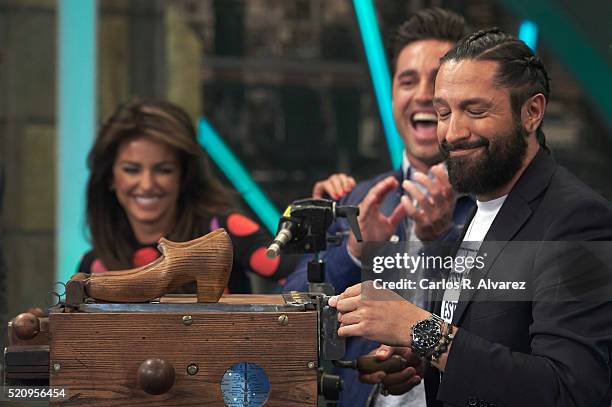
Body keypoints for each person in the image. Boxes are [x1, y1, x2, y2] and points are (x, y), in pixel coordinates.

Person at [329, 28, 612, 407]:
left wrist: (420, 330)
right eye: (443, 112)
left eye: (475, 111)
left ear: (532, 112)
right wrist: (419, 358)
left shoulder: (578, 219)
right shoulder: (483, 204)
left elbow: (570, 390)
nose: (453, 132)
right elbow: (493, 339)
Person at [284, 8, 473, 406]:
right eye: (408, 80)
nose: (423, 93)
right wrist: (353, 253)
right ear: (392, 97)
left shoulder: (497, 205)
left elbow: (511, 337)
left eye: (438, 80)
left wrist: (446, 240)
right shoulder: (355, 200)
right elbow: (289, 316)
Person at [78, 99, 294, 293]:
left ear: (184, 175)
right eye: (131, 169)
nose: (146, 185)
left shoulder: (220, 232)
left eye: (164, 170)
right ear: (110, 177)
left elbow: (302, 269)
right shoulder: (95, 264)